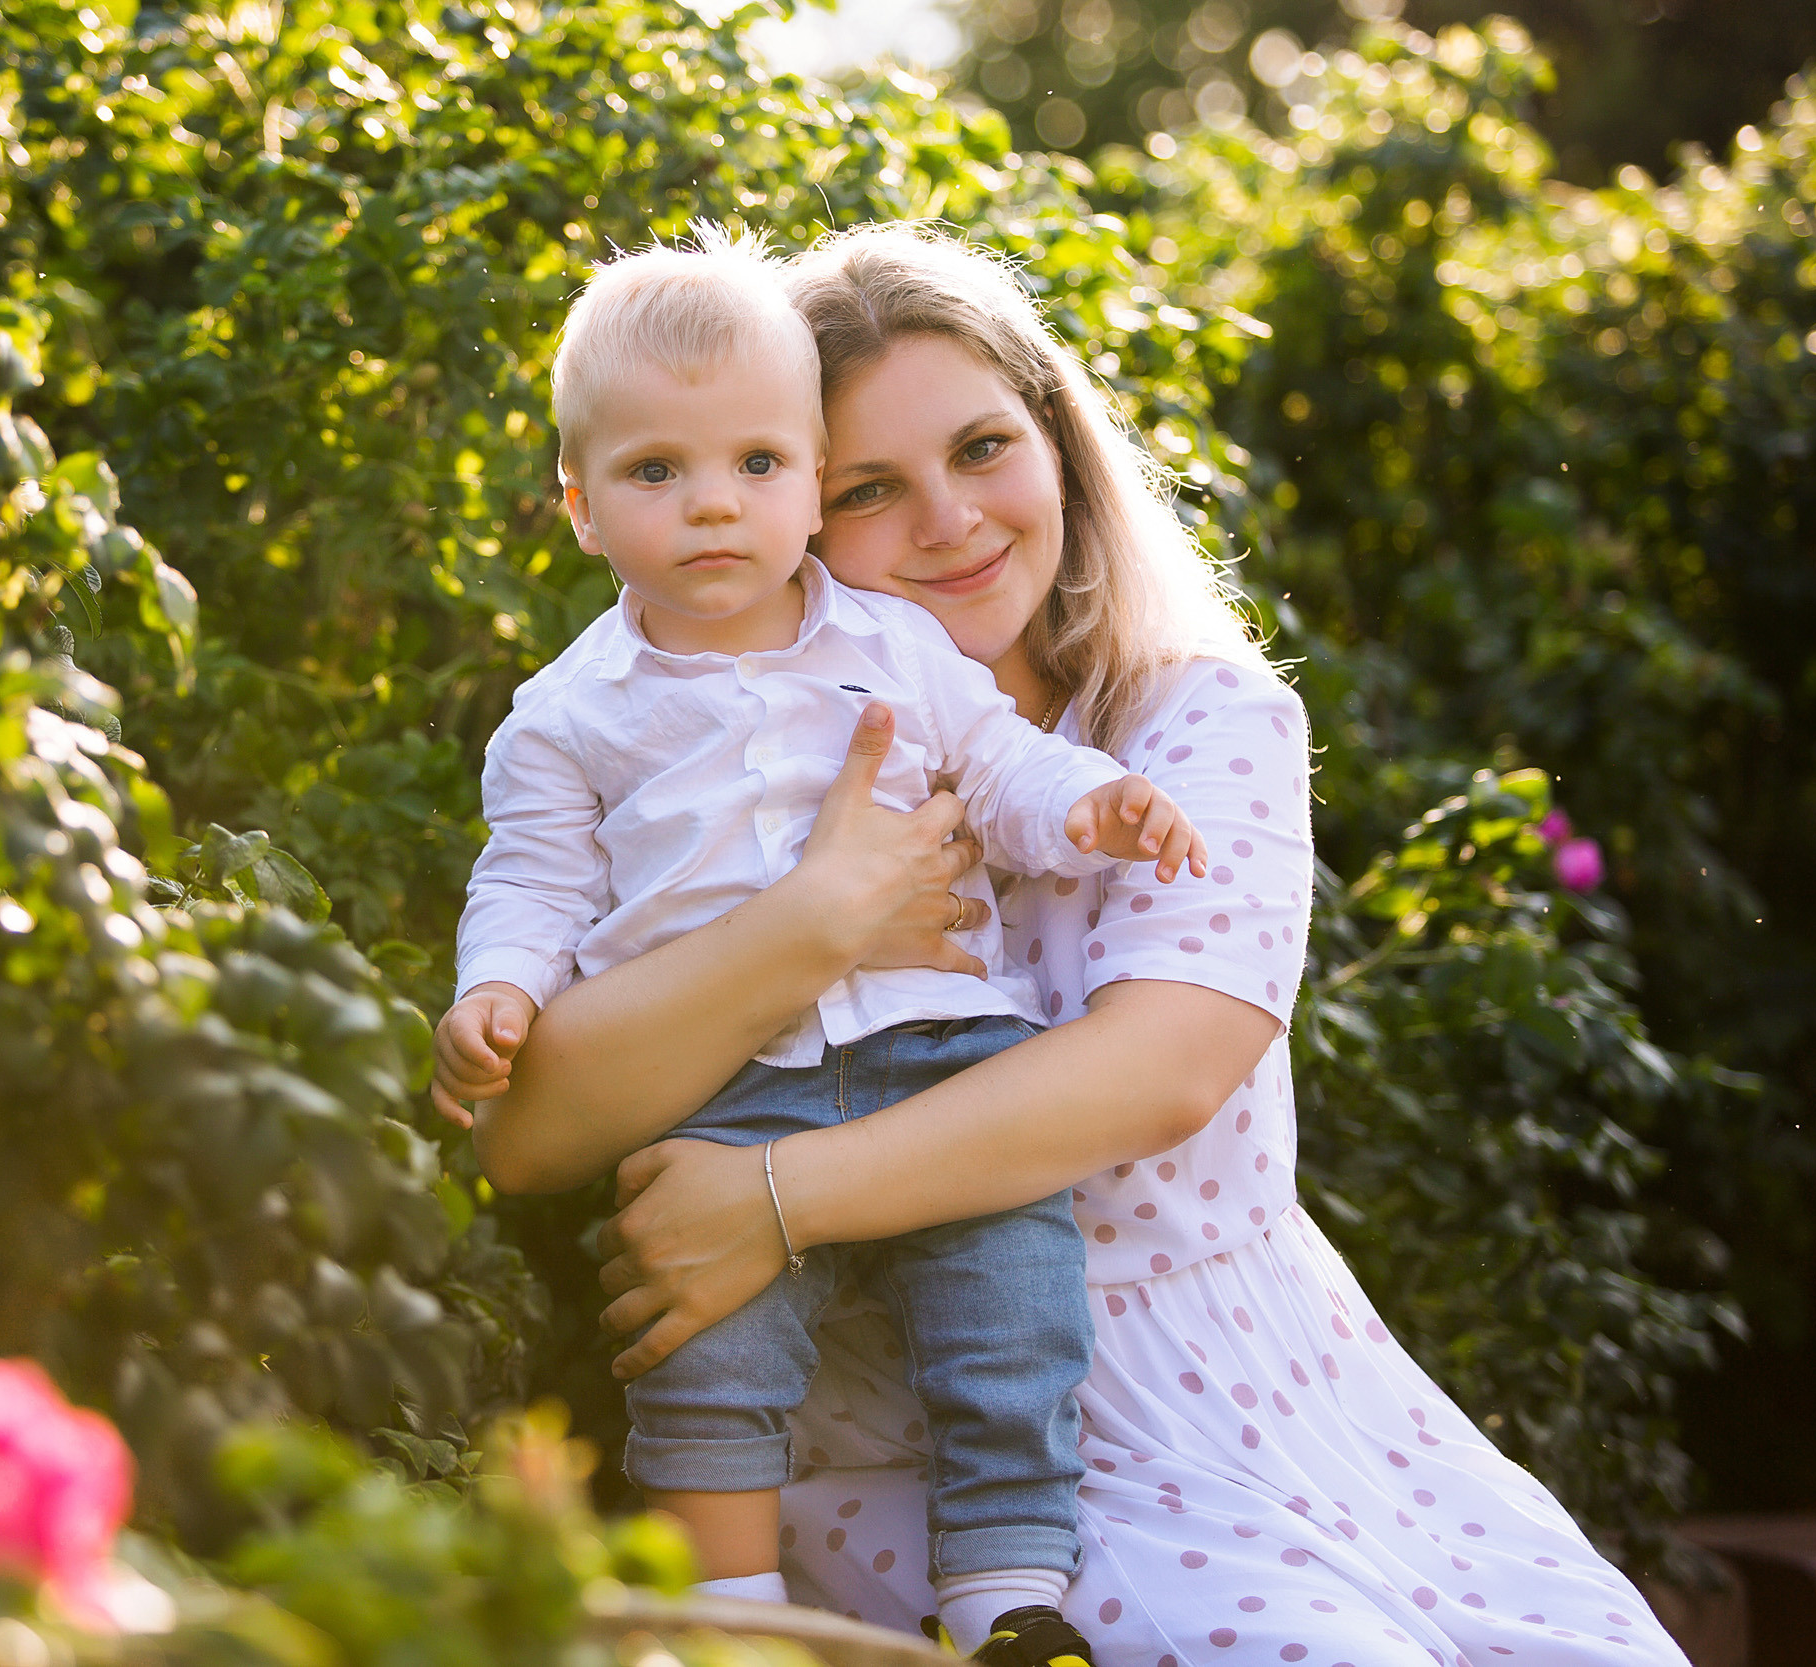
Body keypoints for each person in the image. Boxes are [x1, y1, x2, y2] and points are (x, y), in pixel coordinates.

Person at [472, 223, 1692, 1667]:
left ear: (1057, 440)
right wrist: (814, 924)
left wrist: (775, 1198)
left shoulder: (1193, 727)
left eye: (984, 447)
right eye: (873, 487)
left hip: (1234, 1395)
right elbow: (531, 1136)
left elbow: (1155, 1076)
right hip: (888, 1443)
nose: (948, 520)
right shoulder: (700, 756)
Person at [435, 228, 1208, 1667]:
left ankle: (1004, 1602)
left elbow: (998, 764)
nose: (712, 507)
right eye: (655, 473)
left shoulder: (893, 644)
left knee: (1013, 1299)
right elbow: (532, 880)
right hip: (722, 1091)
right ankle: (718, 1626)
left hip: (938, 1050)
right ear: (581, 509)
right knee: (706, 1353)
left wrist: (1089, 806)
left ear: (804, 473)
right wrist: (498, 990)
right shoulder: (565, 714)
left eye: (758, 467)